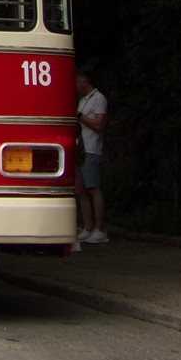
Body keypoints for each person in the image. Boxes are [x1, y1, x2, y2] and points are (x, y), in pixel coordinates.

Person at [75, 70, 109, 244]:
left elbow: (98, 124)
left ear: (84, 82)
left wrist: (80, 117)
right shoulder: (82, 100)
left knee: (93, 189)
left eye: (77, 84)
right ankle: (87, 227)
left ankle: (100, 228)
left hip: (91, 149)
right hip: (80, 149)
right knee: (81, 190)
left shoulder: (99, 98)